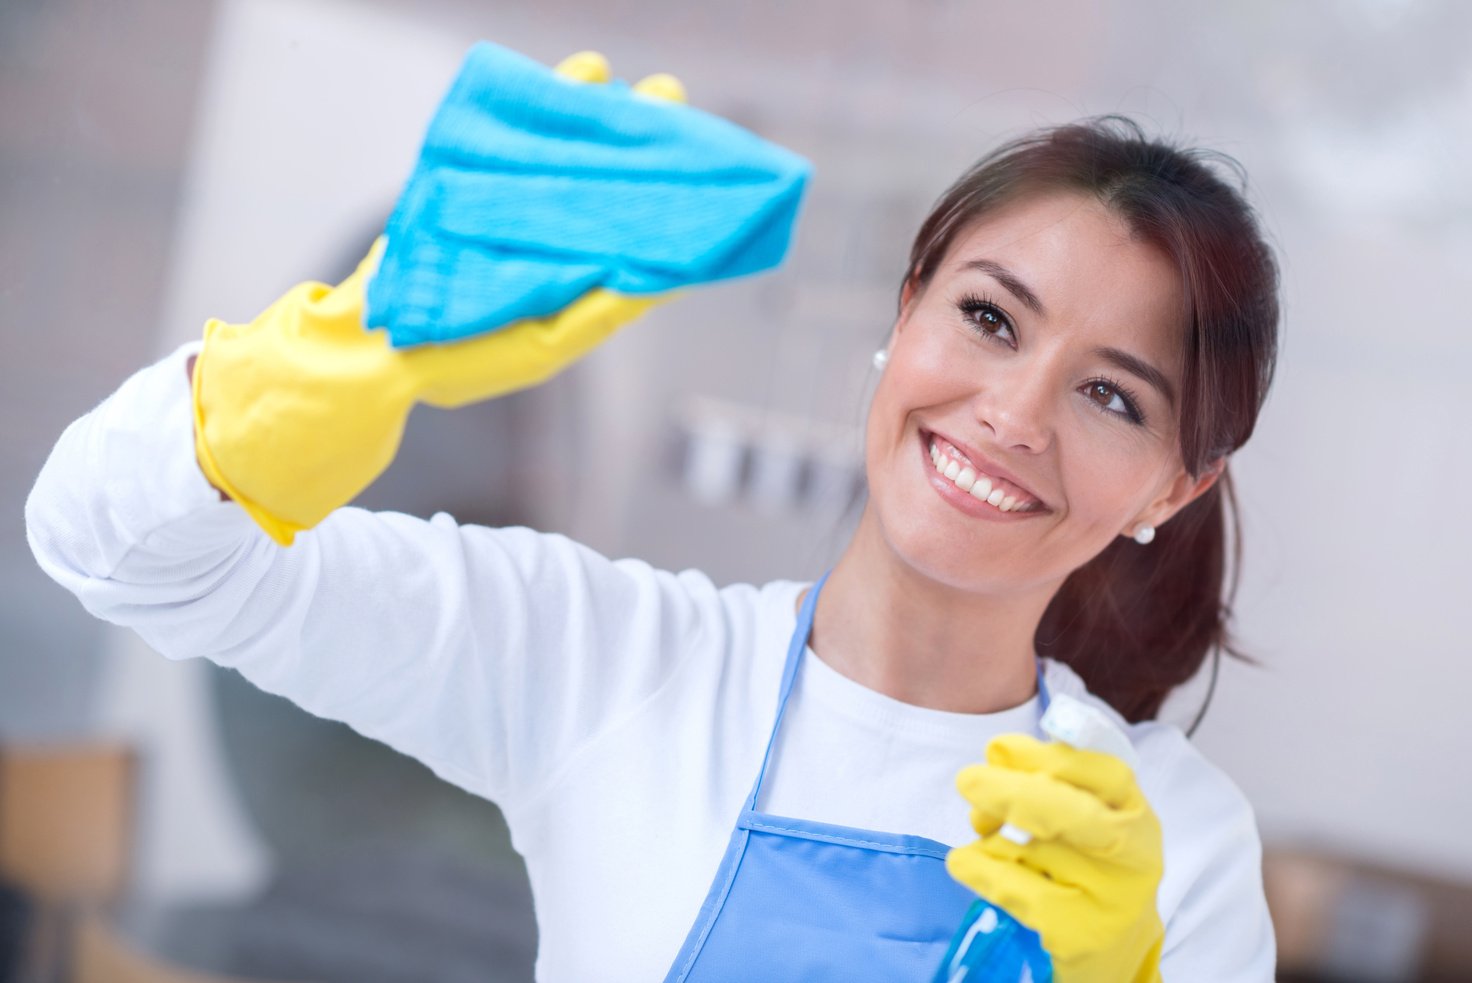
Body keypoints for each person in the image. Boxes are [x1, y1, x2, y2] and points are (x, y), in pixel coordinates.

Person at [27, 113, 1279, 981]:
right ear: (900, 320)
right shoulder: (611, 660)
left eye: (1111, 396)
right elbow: (117, 546)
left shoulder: (1167, 839)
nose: (1012, 413)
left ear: (1177, 481)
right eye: (988, 317)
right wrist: (346, 345)